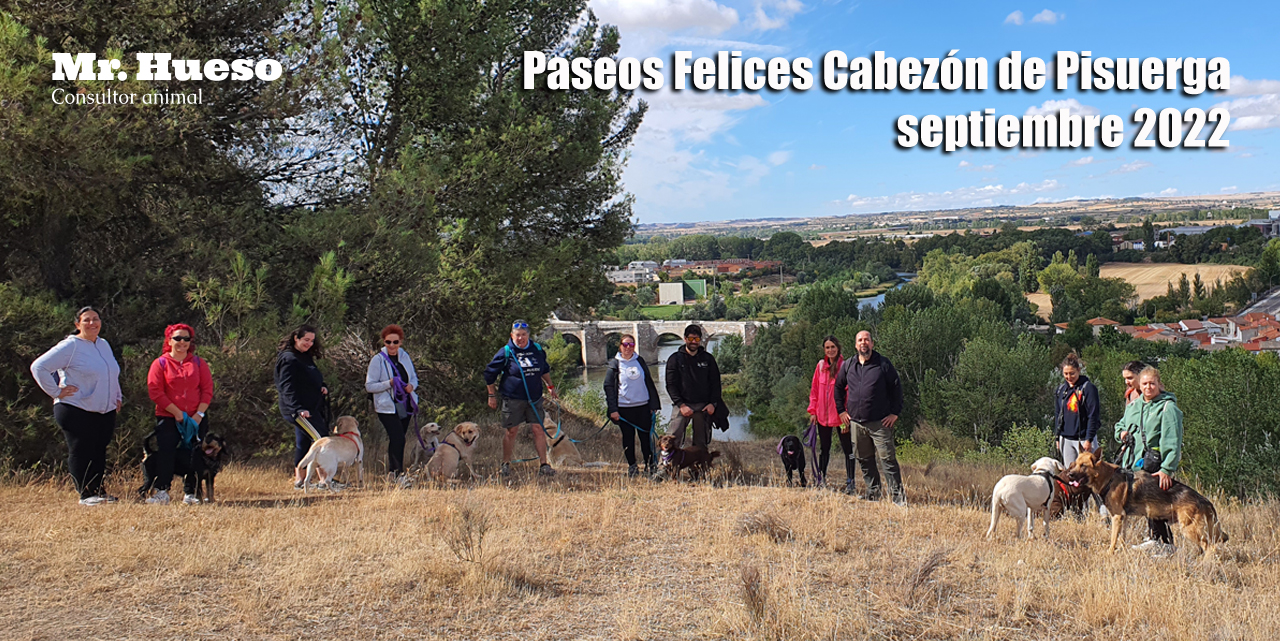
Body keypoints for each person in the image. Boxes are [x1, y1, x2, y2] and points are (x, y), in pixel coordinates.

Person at [30, 306, 123, 505]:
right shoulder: (71, 346)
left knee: (98, 449)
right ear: (77, 324)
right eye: (86, 320)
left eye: (95, 319)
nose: (92, 323)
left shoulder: (104, 344)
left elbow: (111, 372)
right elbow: (39, 367)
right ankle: (86, 495)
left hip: (104, 410)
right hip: (75, 408)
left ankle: (98, 491)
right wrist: (56, 391)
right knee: (82, 449)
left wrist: (117, 396)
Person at [1116, 366, 1184, 554]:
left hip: (1155, 464)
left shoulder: (1167, 407)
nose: (1148, 387)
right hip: (1135, 463)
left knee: (1156, 503)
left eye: (1152, 384)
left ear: (1159, 385)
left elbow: (1173, 439)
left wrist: (1167, 469)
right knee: (1146, 503)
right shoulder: (1135, 405)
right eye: (1144, 384)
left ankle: (1164, 543)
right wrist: (1121, 434)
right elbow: (1121, 425)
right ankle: (1155, 538)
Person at [144, 323, 214, 505]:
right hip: (168, 417)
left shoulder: (199, 363)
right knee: (166, 453)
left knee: (193, 454)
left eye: (186, 339)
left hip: (195, 418)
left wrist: (199, 414)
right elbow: (156, 392)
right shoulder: (160, 363)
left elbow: (207, 390)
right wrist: (177, 413)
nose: (182, 342)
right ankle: (162, 491)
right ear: (169, 340)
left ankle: (191, 492)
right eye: (177, 338)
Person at [834, 330, 906, 505]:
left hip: (880, 423)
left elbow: (897, 388)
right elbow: (837, 387)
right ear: (855, 345)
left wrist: (895, 413)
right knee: (864, 459)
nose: (863, 343)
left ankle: (898, 498)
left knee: (887, 459)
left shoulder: (883, 364)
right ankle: (873, 492)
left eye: (866, 340)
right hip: (856, 423)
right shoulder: (849, 365)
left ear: (872, 344)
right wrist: (841, 411)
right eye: (860, 340)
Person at [483, 320, 558, 478]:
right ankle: (505, 464)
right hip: (513, 398)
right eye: (517, 335)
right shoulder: (506, 352)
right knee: (511, 431)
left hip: (534, 398)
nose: (521, 338)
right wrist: (491, 395)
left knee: (538, 429)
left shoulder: (537, 349)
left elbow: (544, 369)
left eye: (524, 335)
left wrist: (550, 386)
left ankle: (544, 464)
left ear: (528, 335)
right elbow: (489, 374)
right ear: (512, 335)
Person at [275, 325, 329, 486]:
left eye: (312, 341)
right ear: (296, 338)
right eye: (306, 340)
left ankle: (300, 480)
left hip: (312, 407)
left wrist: (322, 386)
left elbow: (310, 377)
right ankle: (325, 480)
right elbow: (285, 386)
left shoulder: (305, 356)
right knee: (322, 440)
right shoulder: (288, 359)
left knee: (303, 442)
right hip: (298, 410)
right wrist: (297, 408)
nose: (309, 344)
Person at [365, 324, 419, 484]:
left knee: (400, 438)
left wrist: (411, 386)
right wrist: (389, 383)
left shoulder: (405, 357)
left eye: (395, 342)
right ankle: (396, 474)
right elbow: (369, 386)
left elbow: (414, 377)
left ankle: (394, 474)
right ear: (384, 342)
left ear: (400, 342)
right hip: (386, 407)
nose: (392, 346)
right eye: (388, 342)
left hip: (405, 404)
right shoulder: (378, 360)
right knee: (397, 438)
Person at [603, 334, 662, 477]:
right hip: (624, 409)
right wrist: (613, 410)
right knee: (628, 439)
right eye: (625, 345)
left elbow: (649, 382)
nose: (628, 348)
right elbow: (608, 387)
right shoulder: (615, 365)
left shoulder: (639, 361)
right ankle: (632, 466)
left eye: (631, 345)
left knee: (646, 439)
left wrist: (653, 404)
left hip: (643, 407)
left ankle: (650, 466)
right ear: (620, 346)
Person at [807, 335, 855, 493]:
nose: (830, 350)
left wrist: (846, 416)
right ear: (824, 350)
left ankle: (850, 482)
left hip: (840, 417)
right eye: (827, 348)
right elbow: (814, 390)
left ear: (838, 348)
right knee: (824, 449)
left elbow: (849, 393)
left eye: (833, 347)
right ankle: (821, 480)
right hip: (822, 417)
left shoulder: (845, 366)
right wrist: (812, 411)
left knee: (847, 449)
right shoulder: (820, 366)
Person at [664, 324, 722, 450]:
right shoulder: (675, 359)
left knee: (701, 442)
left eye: (696, 339)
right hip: (682, 405)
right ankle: (665, 467)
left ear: (700, 340)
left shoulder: (708, 359)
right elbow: (670, 385)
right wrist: (681, 405)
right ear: (685, 339)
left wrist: (713, 403)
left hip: (703, 406)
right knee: (672, 437)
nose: (693, 342)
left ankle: (698, 468)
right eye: (690, 339)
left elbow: (716, 383)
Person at [1053, 353, 1101, 468]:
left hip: (1084, 439)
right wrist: (1057, 437)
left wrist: (1089, 439)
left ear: (1079, 370)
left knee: (1088, 473)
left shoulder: (1088, 388)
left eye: (1072, 373)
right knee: (1070, 472)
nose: (1069, 377)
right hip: (1066, 439)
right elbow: (1058, 414)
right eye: (1066, 374)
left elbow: (1093, 415)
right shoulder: (1061, 390)